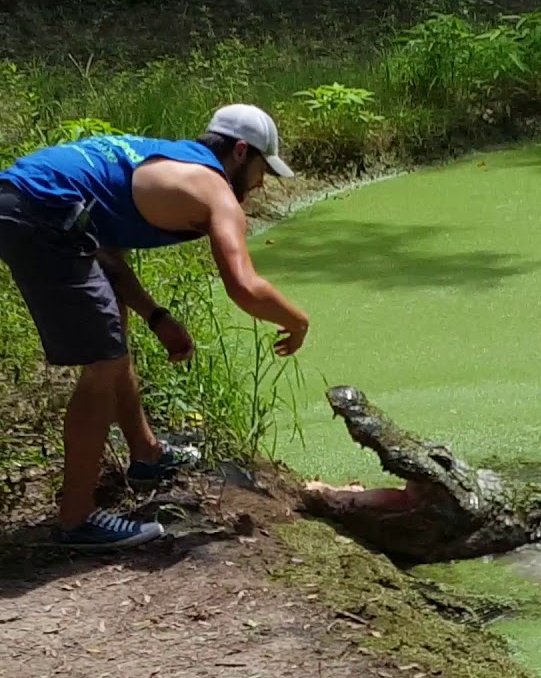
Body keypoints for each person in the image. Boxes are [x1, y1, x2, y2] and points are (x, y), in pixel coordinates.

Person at [0, 104, 311, 550]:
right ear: (241, 152)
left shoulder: (166, 159)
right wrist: (297, 321)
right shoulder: (214, 191)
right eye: (264, 169)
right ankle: (76, 521)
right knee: (103, 364)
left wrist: (156, 316)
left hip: (27, 202)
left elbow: (108, 260)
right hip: (40, 213)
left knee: (113, 333)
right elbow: (244, 286)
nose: (261, 184)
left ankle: (146, 456)